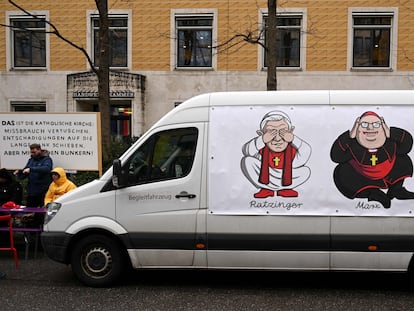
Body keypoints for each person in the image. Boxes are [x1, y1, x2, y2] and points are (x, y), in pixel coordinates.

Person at [330, 111, 414, 209]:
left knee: (402, 159)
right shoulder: (353, 146)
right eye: (364, 124)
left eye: (376, 124)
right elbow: (336, 157)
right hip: (364, 178)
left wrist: (390, 132)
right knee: (342, 172)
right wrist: (349, 136)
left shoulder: (390, 143)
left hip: (389, 174)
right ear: (357, 128)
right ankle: (374, 193)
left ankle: (396, 190)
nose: (370, 128)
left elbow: (406, 145)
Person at [241, 110, 312, 198]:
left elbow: (306, 150)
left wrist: (294, 139)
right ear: (261, 134)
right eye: (271, 133)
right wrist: (262, 140)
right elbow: (247, 151)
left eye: (282, 132)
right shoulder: (260, 149)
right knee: (247, 161)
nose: (277, 139)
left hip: (289, 176)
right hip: (266, 176)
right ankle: (266, 189)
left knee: (306, 171)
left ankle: (286, 189)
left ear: (291, 132)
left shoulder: (293, 151)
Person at [14, 143, 53, 207]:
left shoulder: (47, 159)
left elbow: (47, 168)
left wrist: (31, 169)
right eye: (31, 152)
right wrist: (19, 172)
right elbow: (26, 171)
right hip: (32, 191)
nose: (32, 154)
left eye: (34, 152)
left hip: (43, 191)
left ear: (39, 150)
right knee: (29, 211)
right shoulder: (31, 160)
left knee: (42, 212)